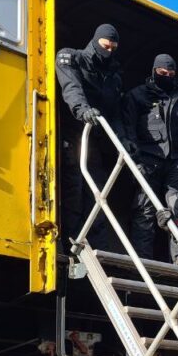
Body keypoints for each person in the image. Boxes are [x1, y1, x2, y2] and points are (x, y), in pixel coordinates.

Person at [123, 54, 178, 263]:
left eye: (171, 74)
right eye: (163, 73)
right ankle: (142, 259)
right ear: (154, 71)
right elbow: (127, 128)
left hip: (176, 163)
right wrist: (132, 153)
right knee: (144, 209)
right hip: (147, 159)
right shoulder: (137, 96)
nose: (167, 76)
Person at [55, 24, 126, 246]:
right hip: (74, 131)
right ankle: (68, 241)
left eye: (114, 48)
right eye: (106, 46)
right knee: (73, 187)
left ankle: (96, 243)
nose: (109, 52)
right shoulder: (71, 57)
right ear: (96, 42)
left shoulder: (114, 78)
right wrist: (82, 110)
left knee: (98, 189)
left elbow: (115, 114)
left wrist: (123, 141)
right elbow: (71, 88)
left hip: (94, 140)